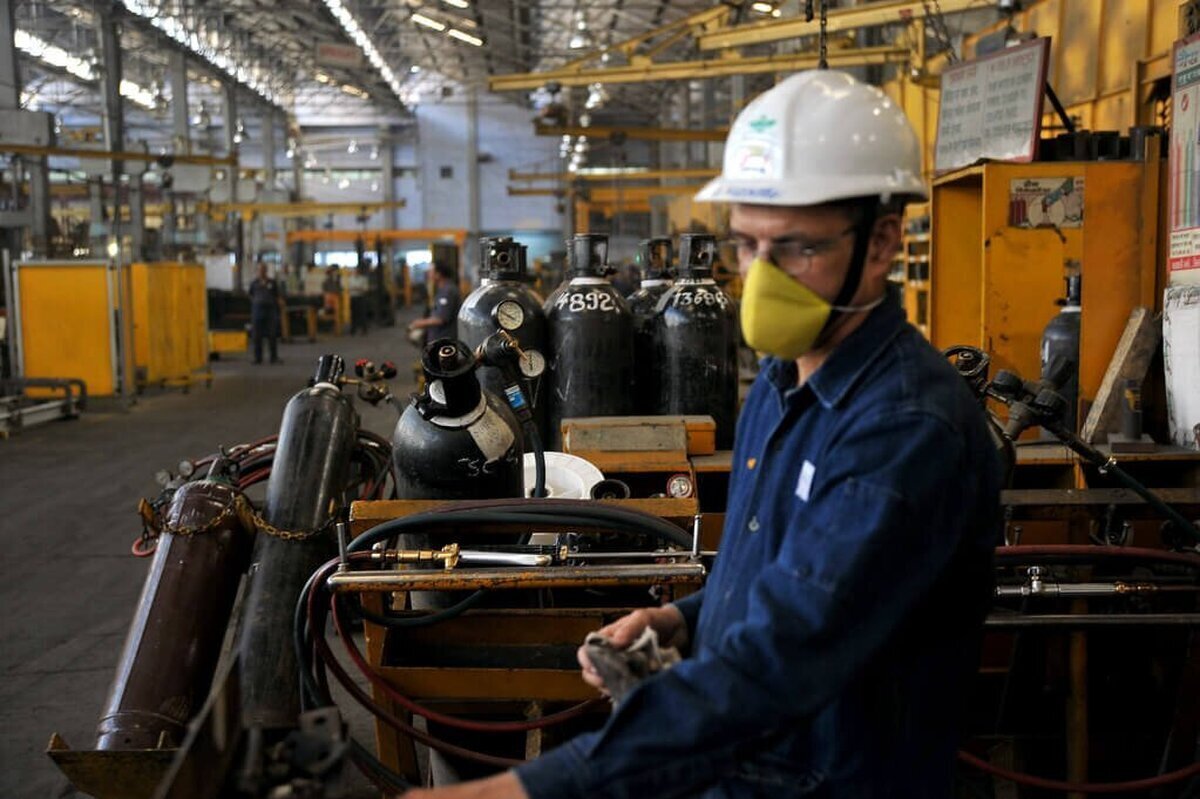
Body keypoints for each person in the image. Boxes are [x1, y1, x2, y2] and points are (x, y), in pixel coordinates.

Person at [402, 71, 1002, 799]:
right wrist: (684, 619)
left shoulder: (905, 431)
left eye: (794, 248)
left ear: (880, 243)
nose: (763, 276)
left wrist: (527, 790)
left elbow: (776, 662)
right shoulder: (778, 383)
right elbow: (782, 573)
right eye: (747, 245)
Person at [407, 261, 461, 347]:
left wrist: (419, 323)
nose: (428, 273)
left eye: (431, 270)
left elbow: (440, 319)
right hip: (438, 340)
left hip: (443, 342)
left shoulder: (448, 291)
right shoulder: (442, 289)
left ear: (438, 274)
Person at [247, 261, 282, 364]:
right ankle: (258, 358)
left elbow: (277, 295)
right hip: (257, 311)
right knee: (257, 335)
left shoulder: (272, 282)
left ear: (266, 270)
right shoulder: (254, 283)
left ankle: (273, 357)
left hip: (270, 311)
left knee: (272, 334)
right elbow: (250, 294)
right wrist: (257, 301)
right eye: (260, 269)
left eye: (263, 269)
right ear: (257, 271)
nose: (262, 271)